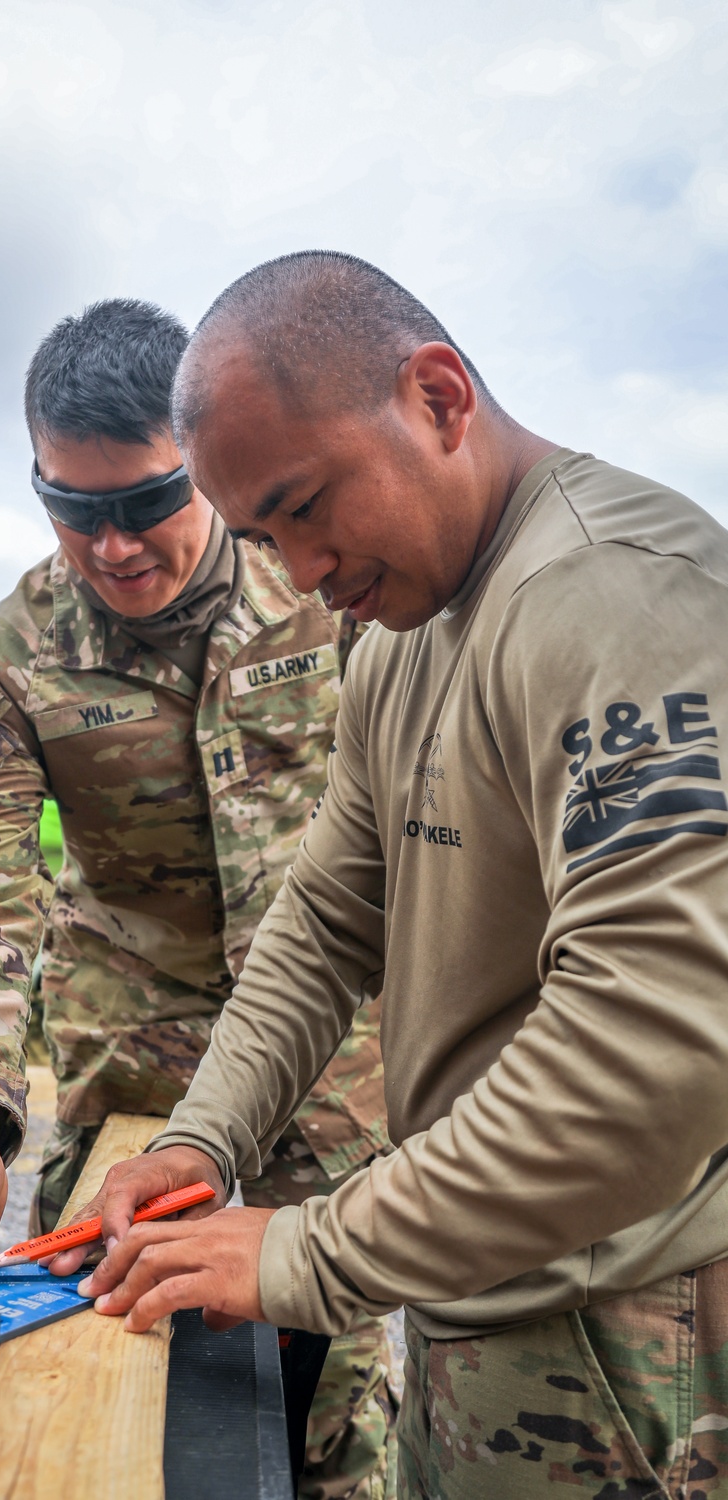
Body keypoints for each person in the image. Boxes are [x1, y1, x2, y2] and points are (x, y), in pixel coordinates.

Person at [61, 254, 728, 1499]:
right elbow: (320, 926)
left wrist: (310, 1249)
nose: (302, 571)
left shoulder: (613, 599)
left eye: (305, 506)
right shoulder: (401, 638)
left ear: (436, 398)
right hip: (484, 1297)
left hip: (632, 1337)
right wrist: (205, 1138)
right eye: (264, 536)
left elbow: (657, 1050)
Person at [0, 298, 396, 1499]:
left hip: (337, 1090)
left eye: (145, 502)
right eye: (73, 507)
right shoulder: (10, 660)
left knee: (330, 1414)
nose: (110, 545)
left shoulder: (327, 582)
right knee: (108, 1398)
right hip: (137, 1106)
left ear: (202, 467)